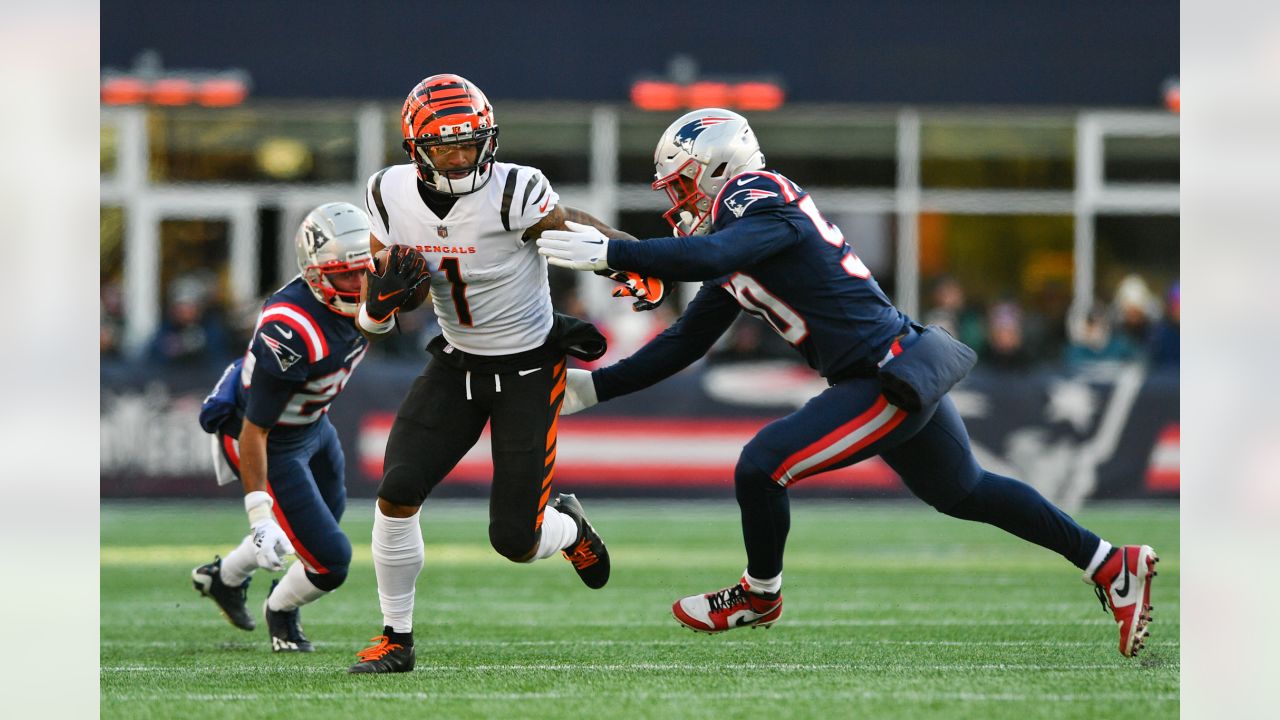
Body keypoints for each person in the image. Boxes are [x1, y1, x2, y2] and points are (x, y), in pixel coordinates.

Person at [537, 108, 1159, 658]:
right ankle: (1111, 563)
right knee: (966, 489)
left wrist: (614, 254)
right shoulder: (735, 242)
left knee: (761, 465)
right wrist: (597, 388)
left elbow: (702, 260)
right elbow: (687, 340)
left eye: (680, 183)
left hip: (882, 372)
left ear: (717, 166)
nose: (676, 200)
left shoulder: (756, 195)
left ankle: (759, 595)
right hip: (888, 364)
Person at [346, 74, 664, 674]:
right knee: (396, 491)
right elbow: (377, 320)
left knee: (515, 541)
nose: (462, 157)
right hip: (457, 360)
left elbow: (569, 225)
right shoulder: (388, 194)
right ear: (417, 149)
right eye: (446, 146)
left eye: (471, 143)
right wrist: (380, 303)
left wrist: (630, 256)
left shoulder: (513, 189)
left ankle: (568, 528)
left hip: (527, 365)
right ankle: (396, 637)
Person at [191, 202, 374, 653]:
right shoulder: (292, 330)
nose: (357, 283)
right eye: (342, 274)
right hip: (269, 439)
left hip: (315, 425)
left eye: (363, 270)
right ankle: (281, 608)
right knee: (330, 561)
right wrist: (259, 514)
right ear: (315, 275)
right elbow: (255, 429)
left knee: (319, 528)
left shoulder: (378, 280)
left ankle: (224, 577)